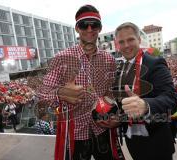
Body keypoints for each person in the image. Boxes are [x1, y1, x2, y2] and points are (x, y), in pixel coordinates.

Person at [38, 4, 124, 160]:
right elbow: (43, 93)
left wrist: (116, 115)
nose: (90, 29)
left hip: (103, 129)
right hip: (75, 133)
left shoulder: (109, 60)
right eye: (84, 24)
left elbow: (112, 92)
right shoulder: (61, 58)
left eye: (94, 24)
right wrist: (60, 94)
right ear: (77, 28)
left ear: (100, 28)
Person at [113, 22, 177, 160]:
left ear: (139, 40)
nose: (126, 45)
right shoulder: (119, 69)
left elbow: (171, 100)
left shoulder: (156, 63)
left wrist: (146, 105)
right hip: (133, 141)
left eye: (130, 39)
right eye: (121, 42)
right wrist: (116, 117)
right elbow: (122, 104)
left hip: (157, 142)